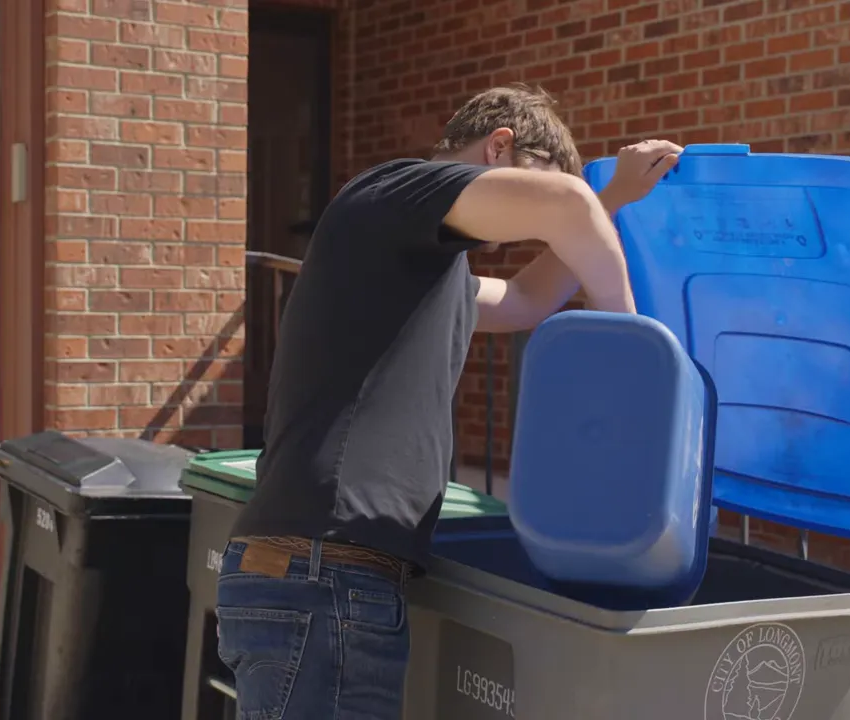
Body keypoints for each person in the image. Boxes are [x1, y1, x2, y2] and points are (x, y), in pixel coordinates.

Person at [215, 84, 683, 719]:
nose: (515, 230)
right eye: (534, 180)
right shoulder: (392, 192)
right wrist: (634, 352)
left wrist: (616, 198)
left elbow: (526, 301)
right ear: (499, 147)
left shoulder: (417, 264)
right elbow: (566, 206)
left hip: (317, 574)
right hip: (323, 575)